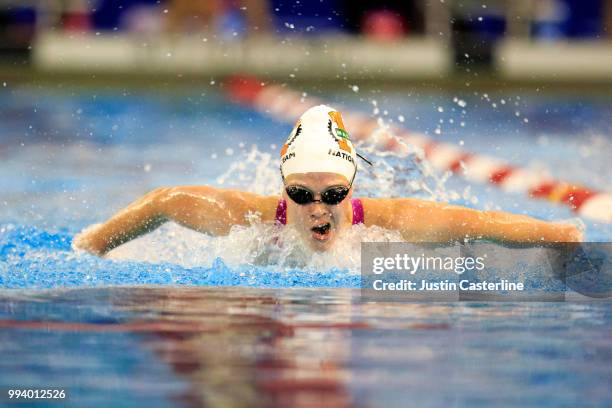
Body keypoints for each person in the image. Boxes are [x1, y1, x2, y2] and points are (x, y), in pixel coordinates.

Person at [73, 105, 582, 256]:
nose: (318, 207)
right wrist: (95, 242)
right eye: (301, 193)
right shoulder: (244, 217)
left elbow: (483, 222)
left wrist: (560, 234)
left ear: (351, 192)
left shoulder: (393, 223)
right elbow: (163, 201)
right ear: (283, 192)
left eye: (333, 194)